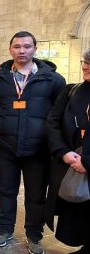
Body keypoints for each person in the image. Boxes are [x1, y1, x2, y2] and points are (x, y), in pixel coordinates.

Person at [0, 31, 66, 254]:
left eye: (26, 46)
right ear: (10, 49)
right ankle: (5, 229)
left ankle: (34, 235)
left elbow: (58, 116)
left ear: (35, 48)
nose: (21, 51)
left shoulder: (54, 80)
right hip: (7, 147)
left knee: (35, 195)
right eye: (17, 47)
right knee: (6, 191)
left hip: (38, 149)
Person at [45, 49, 90, 254]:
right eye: (84, 61)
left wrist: (87, 162)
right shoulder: (72, 90)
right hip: (71, 163)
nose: (85, 65)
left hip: (86, 163)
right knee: (78, 214)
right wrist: (63, 151)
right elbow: (53, 122)